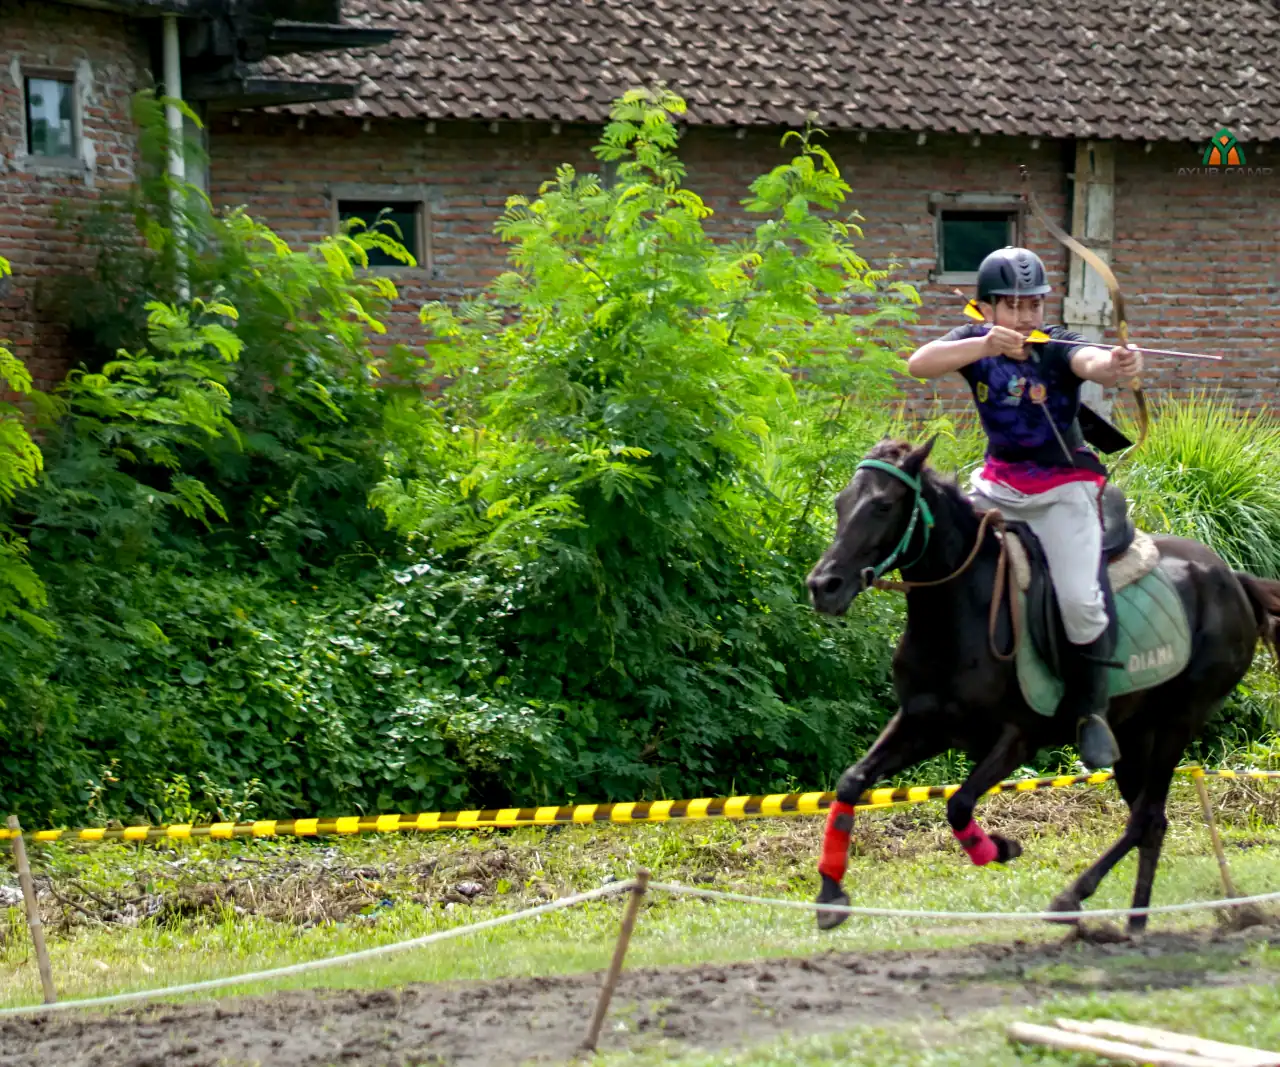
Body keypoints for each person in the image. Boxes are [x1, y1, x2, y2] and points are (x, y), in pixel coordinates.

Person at [905, 246, 1143, 770]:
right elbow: (918, 364)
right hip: (998, 486)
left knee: (1080, 601)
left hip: (1065, 488)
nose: (1026, 316)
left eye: (1033, 304)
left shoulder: (1056, 346)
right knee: (952, 566)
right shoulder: (974, 343)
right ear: (986, 309)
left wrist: (1120, 364)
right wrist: (983, 344)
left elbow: (1094, 363)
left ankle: (1091, 712)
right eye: (1012, 306)